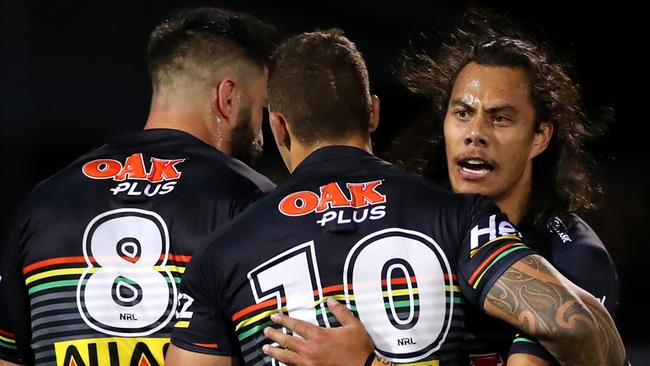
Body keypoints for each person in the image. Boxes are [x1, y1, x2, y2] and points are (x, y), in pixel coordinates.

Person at [164, 30, 625, 366]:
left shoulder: (570, 253)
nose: (475, 135)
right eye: (462, 113)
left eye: (500, 118)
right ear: (374, 114)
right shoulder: (447, 218)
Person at [0, 7, 277, 365]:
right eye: (259, 108)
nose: (260, 131)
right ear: (227, 98)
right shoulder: (252, 200)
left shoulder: (43, 203)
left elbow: (7, 358)